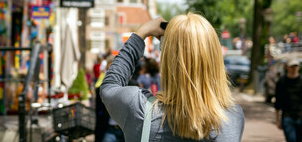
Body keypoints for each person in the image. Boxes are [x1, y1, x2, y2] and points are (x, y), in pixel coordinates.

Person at [100, 13, 245, 141]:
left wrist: (141, 33)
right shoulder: (233, 118)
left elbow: (109, 86)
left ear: (168, 60)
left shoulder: (138, 108)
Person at [275, 56, 302, 142]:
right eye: (292, 66)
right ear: (287, 66)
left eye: (296, 66)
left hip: (301, 116)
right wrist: (277, 120)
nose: (294, 68)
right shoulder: (282, 82)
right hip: (287, 117)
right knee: (291, 140)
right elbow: (278, 102)